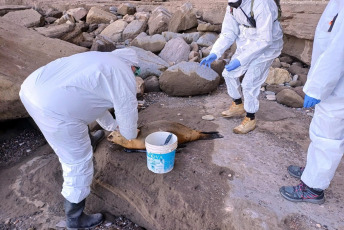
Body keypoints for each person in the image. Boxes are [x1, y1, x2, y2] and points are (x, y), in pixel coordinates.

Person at [19, 48, 140, 228]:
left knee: (75, 117)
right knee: (77, 162)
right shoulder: (124, 75)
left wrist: (113, 126)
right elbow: (129, 127)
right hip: (54, 108)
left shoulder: (101, 60)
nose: (136, 74)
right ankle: (75, 219)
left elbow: (92, 99)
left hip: (31, 89)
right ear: (132, 66)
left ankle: (87, 141)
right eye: (136, 71)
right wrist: (129, 135)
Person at [280, 0, 344, 204]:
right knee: (323, 130)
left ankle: (313, 188)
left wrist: (317, 87)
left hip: (337, 86)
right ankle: (312, 172)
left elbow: (338, 52)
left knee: (327, 136)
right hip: (333, 83)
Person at [200, 0, 283, 134]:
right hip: (246, 42)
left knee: (249, 83)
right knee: (228, 74)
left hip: (267, 48)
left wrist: (240, 60)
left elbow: (265, 40)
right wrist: (215, 53)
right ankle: (238, 105)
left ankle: (250, 118)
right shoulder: (232, 6)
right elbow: (229, 32)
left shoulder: (262, 4)